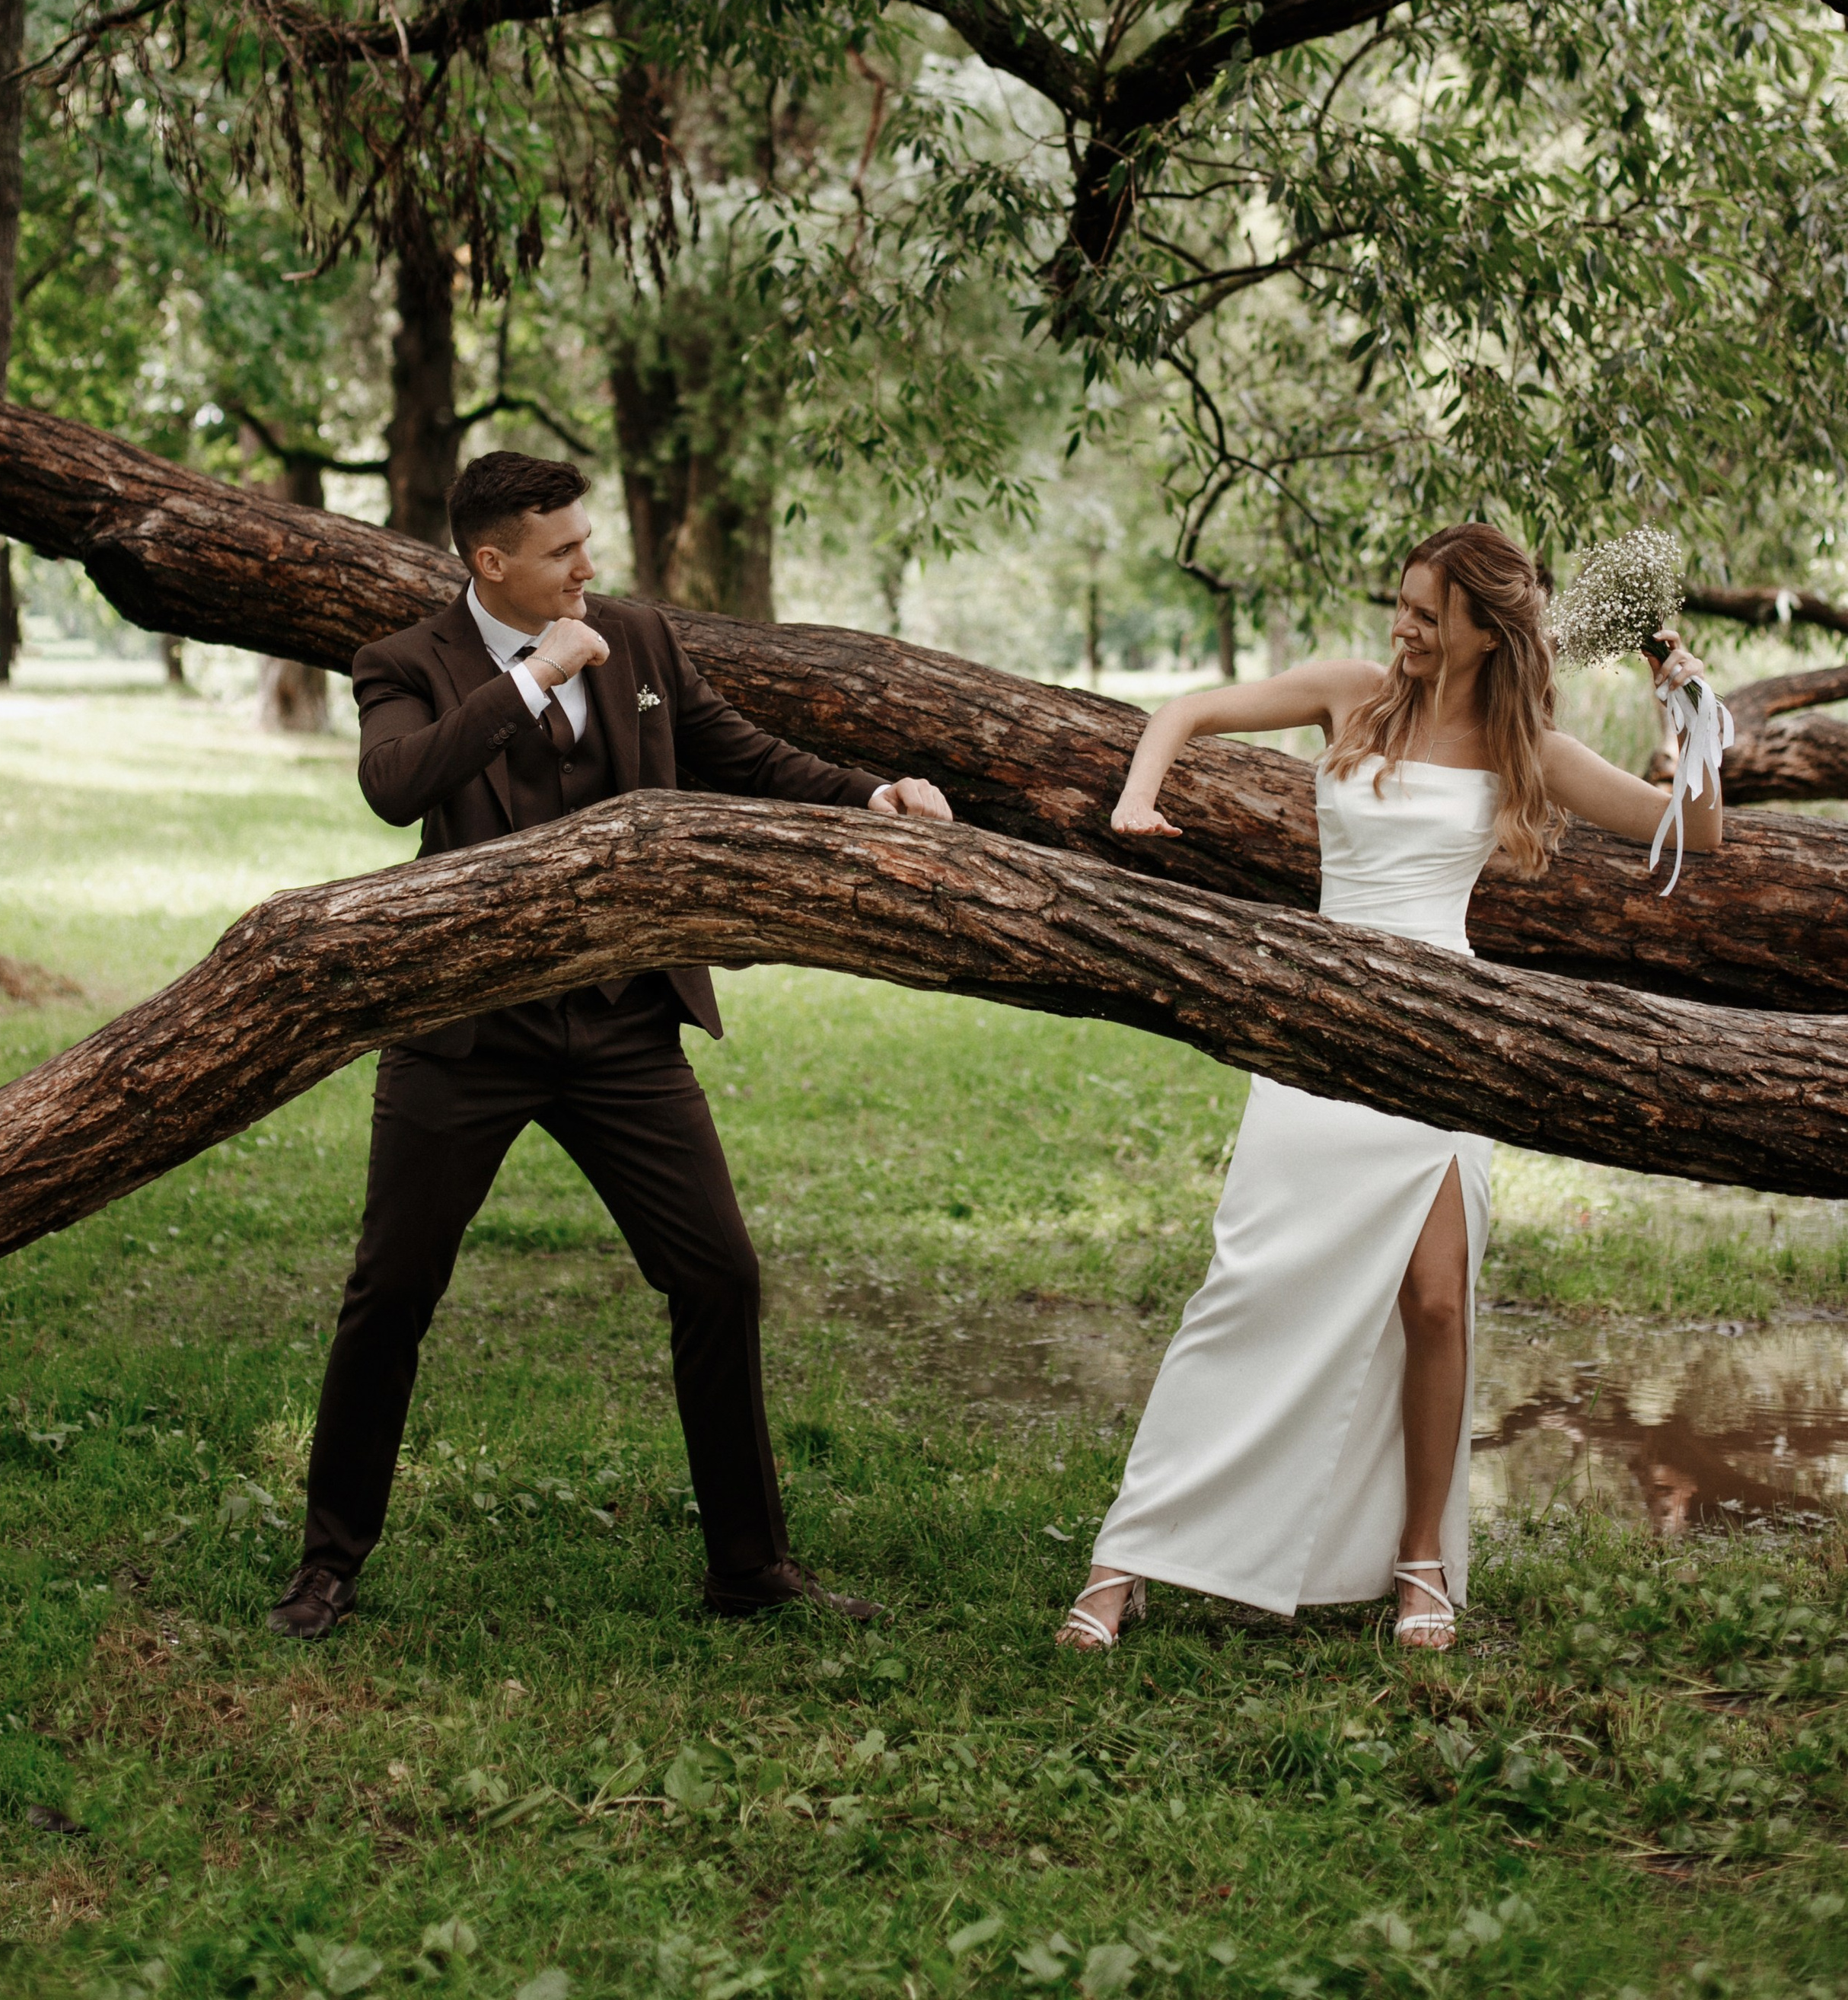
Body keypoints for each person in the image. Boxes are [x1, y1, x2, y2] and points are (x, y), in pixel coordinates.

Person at [269, 450, 953, 1642]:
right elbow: (396, 786)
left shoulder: (636, 640)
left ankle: (750, 1568)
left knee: (719, 1274)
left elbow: (741, 753)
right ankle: (329, 1564)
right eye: (563, 551)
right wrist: (533, 678)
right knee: (393, 1293)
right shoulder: (407, 664)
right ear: (492, 564)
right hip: (466, 1034)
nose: (590, 565)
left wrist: (867, 796)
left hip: (626, 1024)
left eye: (586, 544)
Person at [1057, 522, 1720, 1656]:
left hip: (1440, 1035)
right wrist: (1138, 795)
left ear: (1481, 627)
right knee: (1245, 1286)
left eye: (1425, 613)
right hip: (1323, 1022)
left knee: (1436, 1303)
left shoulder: (1530, 747)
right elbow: (1182, 714)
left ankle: (1419, 1561)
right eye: (1403, 605)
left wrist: (1690, 706)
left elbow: (1692, 834)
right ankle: (1131, 1554)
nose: (1404, 627)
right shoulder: (1351, 695)